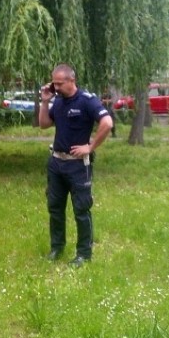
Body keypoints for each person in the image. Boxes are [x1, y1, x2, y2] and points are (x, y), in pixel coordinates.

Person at [39, 63, 114, 267]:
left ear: (72, 80)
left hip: (78, 166)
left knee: (81, 210)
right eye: (53, 83)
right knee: (55, 208)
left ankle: (84, 254)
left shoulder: (87, 101)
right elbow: (44, 124)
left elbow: (107, 123)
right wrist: (45, 102)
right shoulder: (59, 101)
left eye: (59, 84)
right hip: (56, 163)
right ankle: (56, 248)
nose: (55, 88)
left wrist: (90, 147)